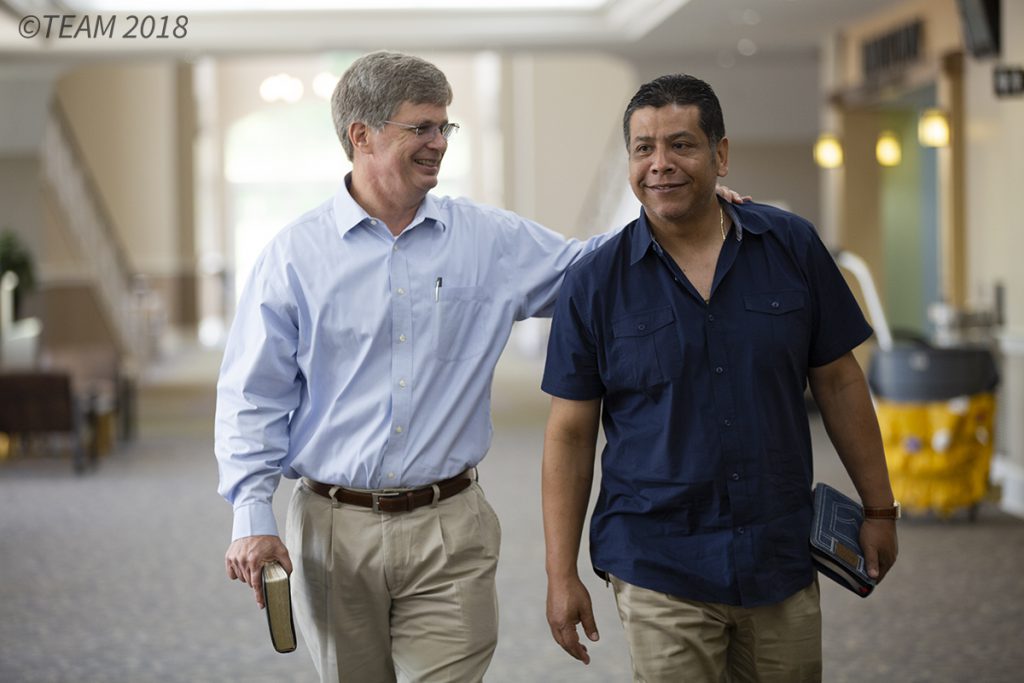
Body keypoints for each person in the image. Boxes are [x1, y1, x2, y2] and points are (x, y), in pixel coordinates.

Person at [215, 52, 745, 683]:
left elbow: (589, 270)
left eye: (445, 127)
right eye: (422, 128)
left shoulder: (484, 239)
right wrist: (252, 515)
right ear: (362, 135)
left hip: (450, 529)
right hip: (333, 529)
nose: (439, 142)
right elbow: (254, 396)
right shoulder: (294, 257)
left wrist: (678, 215)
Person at [540, 73, 898, 682]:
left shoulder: (791, 247)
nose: (660, 165)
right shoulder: (595, 282)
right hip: (657, 559)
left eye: (681, 144)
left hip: (778, 555)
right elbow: (570, 434)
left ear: (720, 154)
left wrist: (879, 509)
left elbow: (839, 381)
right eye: (643, 149)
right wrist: (560, 573)